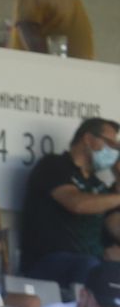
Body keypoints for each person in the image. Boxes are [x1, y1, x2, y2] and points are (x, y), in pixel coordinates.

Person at [19, 118, 120, 289]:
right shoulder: (53, 165)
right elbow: (77, 203)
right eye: (109, 143)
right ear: (88, 138)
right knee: (90, 266)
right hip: (48, 264)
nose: (113, 151)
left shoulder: (99, 185)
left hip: (91, 263)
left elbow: (115, 226)